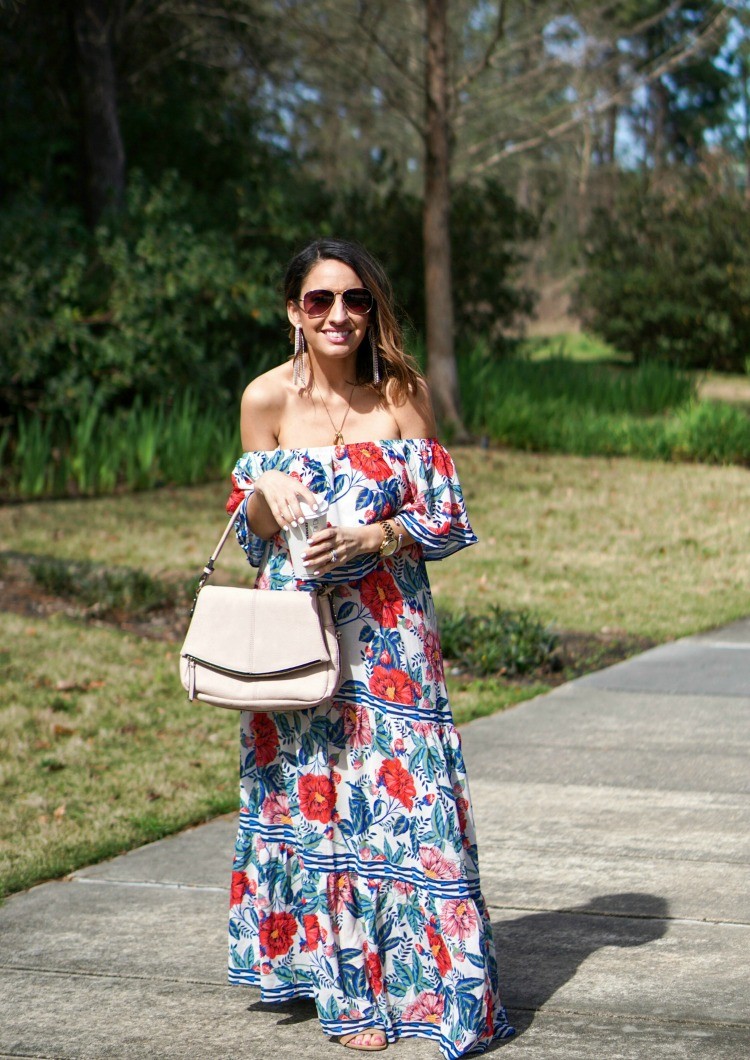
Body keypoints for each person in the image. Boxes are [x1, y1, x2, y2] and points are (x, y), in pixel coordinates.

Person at [226, 238, 514, 1056]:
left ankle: (435, 991)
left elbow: (447, 516)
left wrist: (378, 535)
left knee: (410, 804)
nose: (339, 315)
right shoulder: (263, 401)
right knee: (317, 799)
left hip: (392, 638)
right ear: (294, 311)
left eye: (354, 299)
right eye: (320, 301)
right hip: (298, 636)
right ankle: (345, 991)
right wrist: (264, 491)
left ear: (372, 308)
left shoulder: (402, 394)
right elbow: (249, 540)